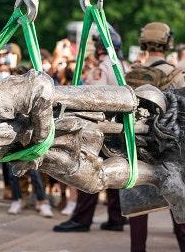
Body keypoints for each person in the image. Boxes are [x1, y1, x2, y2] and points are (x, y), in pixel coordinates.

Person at [52, 25, 127, 233]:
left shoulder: (101, 69)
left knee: (88, 172)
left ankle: (81, 219)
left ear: (100, 48)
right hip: (119, 128)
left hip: (102, 128)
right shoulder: (121, 66)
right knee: (115, 171)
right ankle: (116, 219)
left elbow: (94, 98)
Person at [124, 22, 185, 252]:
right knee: (179, 201)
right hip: (168, 148)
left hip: (137, 145)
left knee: (138, 207)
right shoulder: (175, 74)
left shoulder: (130, 73)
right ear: (168, 42)